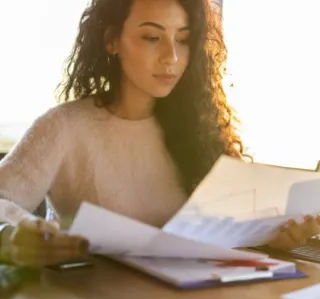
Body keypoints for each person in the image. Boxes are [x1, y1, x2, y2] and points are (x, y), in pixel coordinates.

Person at [0, 0, 319, 268]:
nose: (172, 57)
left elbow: (222, 231)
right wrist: (14, 237)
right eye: (152, 37)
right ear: (112, 40)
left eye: (183, 40)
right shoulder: (63, 127)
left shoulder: (198, 129)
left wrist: (274, 235)